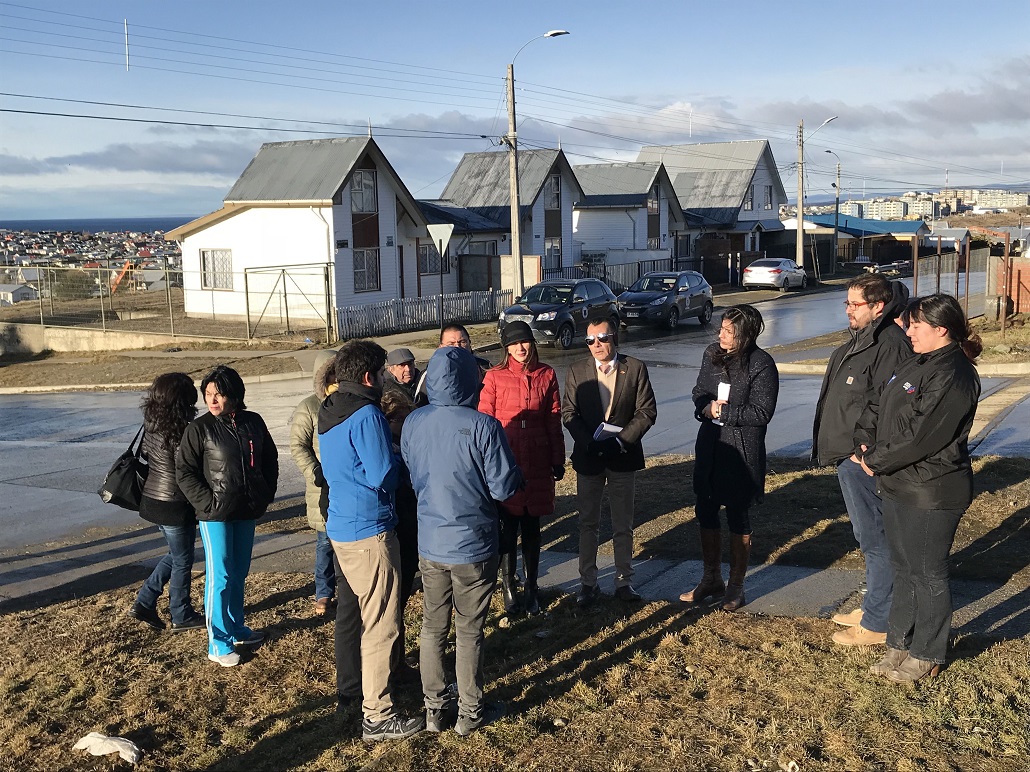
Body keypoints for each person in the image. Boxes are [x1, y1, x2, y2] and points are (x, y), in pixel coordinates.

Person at [855, 294, 981, 682]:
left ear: (941, 329)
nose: (907, 331)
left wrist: (874, 460)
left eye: (915, 325)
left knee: (927, 572)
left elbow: (921, 435)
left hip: (932, 490)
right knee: (904, 567)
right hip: (898, 484)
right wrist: (864, 438)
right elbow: (878, 402)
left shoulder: (954, 374)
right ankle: (899, 642)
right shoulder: (918, 361)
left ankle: (927, 652)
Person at [402, 346, 522, 736]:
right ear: (472, 380)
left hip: (431, 541)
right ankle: (470, 712)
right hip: (473, 543)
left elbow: (411, 473)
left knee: (432, 626)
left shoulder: (413, 422)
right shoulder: (484, 426)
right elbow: (503, 487)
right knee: (469, 630)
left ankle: (435, 709)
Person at [318, 340, 423, 742]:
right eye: (381, 373)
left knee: (366, 616)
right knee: (382, 624)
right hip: (370, 529)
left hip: (342, 527)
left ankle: (370, 691)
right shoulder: (367, 415)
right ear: (368, 376)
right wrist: (401, 460)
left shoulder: (330, 411)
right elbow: (383, 474)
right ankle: (377, 714)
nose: (385, 379)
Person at [812, 274, 912, 647]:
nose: (848, 310)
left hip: (864, 460)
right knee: (867, 535)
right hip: (849, 456)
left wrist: (863, 449)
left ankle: (878, 621)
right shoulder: (864, 340)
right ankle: (876, 604)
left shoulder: (889, 344)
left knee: (876, 537)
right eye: (847, 303)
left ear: (878, 307)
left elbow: (890, 403)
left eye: (855, 304)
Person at [176, 365, 278, 667]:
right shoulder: (199, 429)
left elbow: (269, 460)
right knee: (219, 576)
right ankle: (217, 642)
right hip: (214, 515)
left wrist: (264, 493)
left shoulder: (253, 422)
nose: (212, 400)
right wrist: (207, 504)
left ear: (234, 394)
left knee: (239, 572)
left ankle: (236, 628)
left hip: (246, 510)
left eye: (218, 394)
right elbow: (185, 472)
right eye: (208, 394)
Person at [681, 305, 777, 612]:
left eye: (729, 331)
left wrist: (726, 412)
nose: (721, 335)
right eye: (720, 329)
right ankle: (711, 578)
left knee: (738, 513)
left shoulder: (761, 364)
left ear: (746, 334)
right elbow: (699, 390)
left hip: (741, 450)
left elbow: (762, 412)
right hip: (711, 445)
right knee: (705, 508)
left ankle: (736, 586)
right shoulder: (711, 354)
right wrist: (705, 408)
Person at [562, 318, 657, 606]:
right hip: (589, 458)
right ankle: (587, 584)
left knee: (622, 524)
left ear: (614, 336)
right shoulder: (577, 371)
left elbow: (647, 411)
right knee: (587, 523)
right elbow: (569, 413)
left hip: (622, 457)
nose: (596, 344)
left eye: (601, 337)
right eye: (590, 339)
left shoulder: (635, 368)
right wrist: (589, 442)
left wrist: (621, 440)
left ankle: (623, 582)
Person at [479, 320, 565, 615]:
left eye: (524, 342)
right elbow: (484, 423)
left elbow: (554, 419)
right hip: (507, 458)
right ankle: (507, 585)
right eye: (514, 343)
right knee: (507, 529)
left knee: (532, 528)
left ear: (532, 343)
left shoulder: (547, 374)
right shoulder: (494, 377)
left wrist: (557, 457)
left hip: (538, 459)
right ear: (506, 347)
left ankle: (532, 587)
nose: (520, 348)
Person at [128, 372, 204, 632]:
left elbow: (149, 454)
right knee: (183, 559)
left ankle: (145, 601)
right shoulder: (182, 427)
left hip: (152, 499)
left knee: (177, 554)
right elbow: (187, 467)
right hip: (174, 503)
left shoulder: (151, 420)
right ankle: (181, 613)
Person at [288, 349, 338, 617]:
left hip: (346, 484)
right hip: (322, 486)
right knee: (325, 543)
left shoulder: (348, 401)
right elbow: (298, 445)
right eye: (331, 373)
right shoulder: (308, 407)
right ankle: (324, 592)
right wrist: (315, 472)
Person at [379, 388, 421, 682]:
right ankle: (390, 665)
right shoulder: (388, 452)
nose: (407, 425)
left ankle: (398, 660)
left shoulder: (407, 446)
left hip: (410, 531)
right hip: (396, 531)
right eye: (401, 420)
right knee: (391, 603)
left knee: (400, 600)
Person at [414, 323, 490, 406]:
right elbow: (419, 405)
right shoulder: (431, 372)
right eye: (451, 344)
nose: (457, 347)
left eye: (462, 342)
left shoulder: (485, 368)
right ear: (441, 347)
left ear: (469, 343)